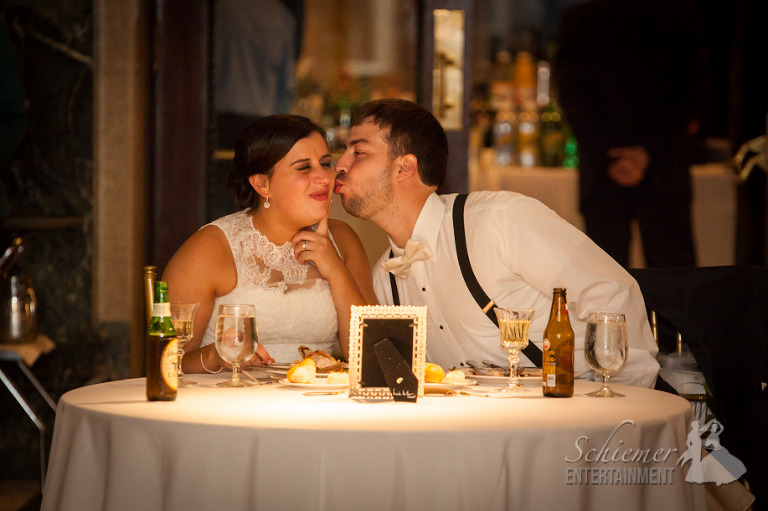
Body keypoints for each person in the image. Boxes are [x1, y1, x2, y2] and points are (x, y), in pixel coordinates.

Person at [333, 98, 659, 387]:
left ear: (405, 167)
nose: (340, 165)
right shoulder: (385, 277)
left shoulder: (498, 220)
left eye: (358, 152)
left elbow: (611, 294)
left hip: (579, 416)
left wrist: (621, 404)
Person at [163, 115, 377, 373]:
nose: (324, 177)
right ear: (262, 183)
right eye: (303, 167)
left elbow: (376, 356)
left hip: (318, 403)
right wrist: (215, 355)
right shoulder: (210, 249)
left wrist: (336, 269)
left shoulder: (343, 239)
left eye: (325, 163)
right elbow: (165, 362)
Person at [553, 0, 707, 268]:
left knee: (606, 282)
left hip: (611, 169)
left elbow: (572, 97)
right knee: (672, 285)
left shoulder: (579, 19)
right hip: (662, 166)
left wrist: (608, 153)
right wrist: (646, 152)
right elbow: (692, 94)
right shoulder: (680, 15)